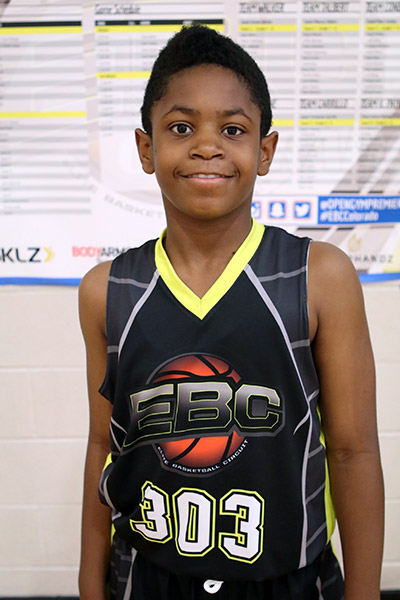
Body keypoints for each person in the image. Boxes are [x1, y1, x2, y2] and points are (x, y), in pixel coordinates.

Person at [78, 24, 384, 600]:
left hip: (290, 579)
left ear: (264, 151)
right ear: (146, 149)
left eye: (233, 129)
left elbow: (353, 451)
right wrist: (88, 583)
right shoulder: (108, 290)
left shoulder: (319, 276)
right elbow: (104, 446)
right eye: (181, 127)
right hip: (148, 576)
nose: (206, 146)